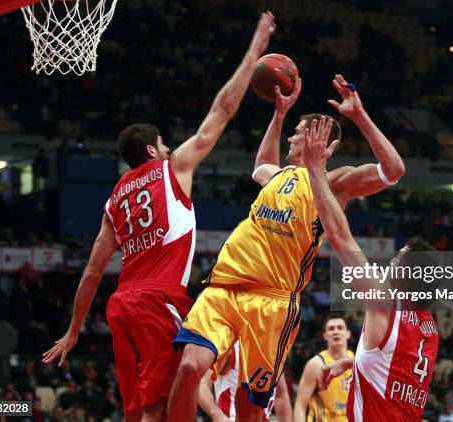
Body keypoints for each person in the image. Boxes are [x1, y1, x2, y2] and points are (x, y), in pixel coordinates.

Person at [41, 11, 277, 422]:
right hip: (157, 299)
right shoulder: (172, 170)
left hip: (120, 307)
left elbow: (92, 272)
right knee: (163, 407)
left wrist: (75, 329)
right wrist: (255, 48)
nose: (169, 149)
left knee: (137, 411)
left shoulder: (114, 199)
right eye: (164, 144)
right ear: (152, 150)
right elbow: (221, 112)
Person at [169, 74, 405, 421]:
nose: (293, 135)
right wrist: (279, 115)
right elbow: (260, 168)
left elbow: (394, 170)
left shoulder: (333, 184)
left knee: (251, 407)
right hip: (223, 287)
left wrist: (359, 117)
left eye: (299, 130)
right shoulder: (279, 177)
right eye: (292, 130)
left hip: (274, 302)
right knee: (190, 366)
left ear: (323, 142)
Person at [304, 117, 439, 421]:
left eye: (397, 258)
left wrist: (315, 170)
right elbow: (394, 366)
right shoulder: (428, 327)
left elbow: (339, 236)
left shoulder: (383, 304)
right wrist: (353, 364)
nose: (390, 261)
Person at [198, 341, 292, 422]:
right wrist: (217, 414)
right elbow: (202, 386)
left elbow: (281, 396)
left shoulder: (272, 352)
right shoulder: (231, 348)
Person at [293, 314, 353, 422]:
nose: (336, 331)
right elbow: (300, 405)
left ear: (348, 334)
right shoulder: (316, 364)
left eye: (340, 328)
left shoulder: (356, 361)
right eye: (331, 329)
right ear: (325, 335)